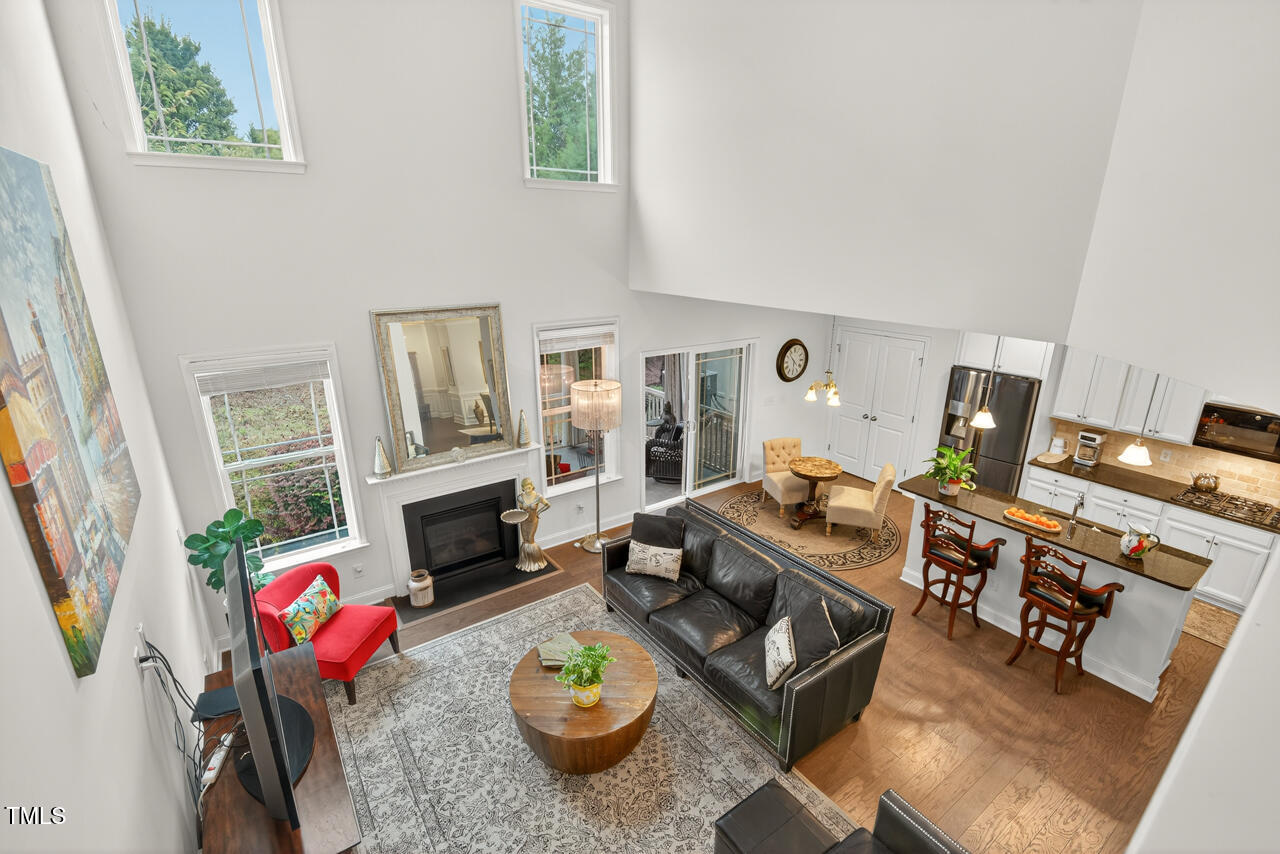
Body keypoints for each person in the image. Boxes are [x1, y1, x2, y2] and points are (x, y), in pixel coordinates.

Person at [514, 477, 551, 571]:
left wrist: (538, 512)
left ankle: (535, 562)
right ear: (523, 488)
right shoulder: (520, 498)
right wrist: (522, 509)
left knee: (530, 539)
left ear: (532, 486)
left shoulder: (538, 497)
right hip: (524, 521)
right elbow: (521, 510)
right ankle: (525, 562)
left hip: (533, 521)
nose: (527, 490)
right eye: (525, 488)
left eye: (529, 487)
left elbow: (548, 505)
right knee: (525, 540)